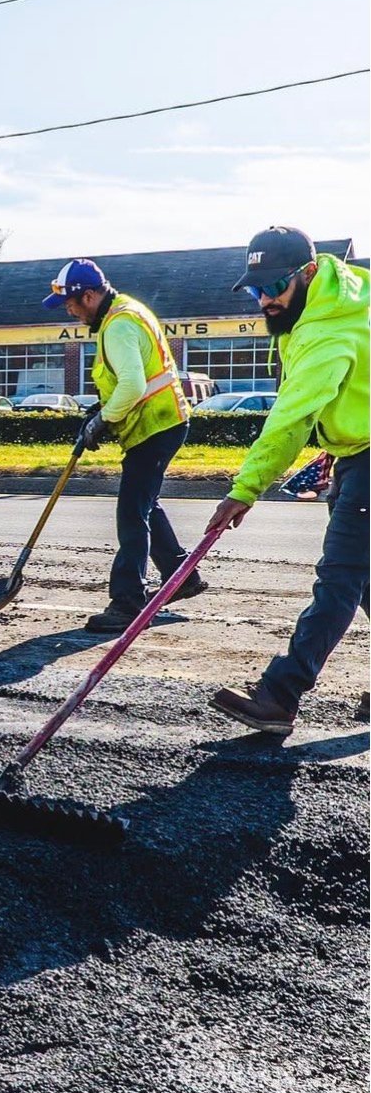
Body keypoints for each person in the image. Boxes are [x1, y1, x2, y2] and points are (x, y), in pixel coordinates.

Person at [206, 227, 369, 734]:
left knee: (340, 577)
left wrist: (244, 488)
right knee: (362, 581)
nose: (266, 300)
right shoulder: (346, 295)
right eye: (255, 290)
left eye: (274, 286)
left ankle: (280, 694)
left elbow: (291, 418)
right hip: (354, 454)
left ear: (310, 272)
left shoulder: (326, 331)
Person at [43, 258, 200, 632]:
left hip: (156, 425)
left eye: (71, 303)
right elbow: (131, 379)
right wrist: (102, 409)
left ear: (91, 295)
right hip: (164, 422)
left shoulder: (119, 325)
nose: (68, 310)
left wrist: (103, 420)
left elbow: (133, 385)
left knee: (132, 512)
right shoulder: (127, 311)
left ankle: (128, 603)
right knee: (145, 504)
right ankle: (183, 576)